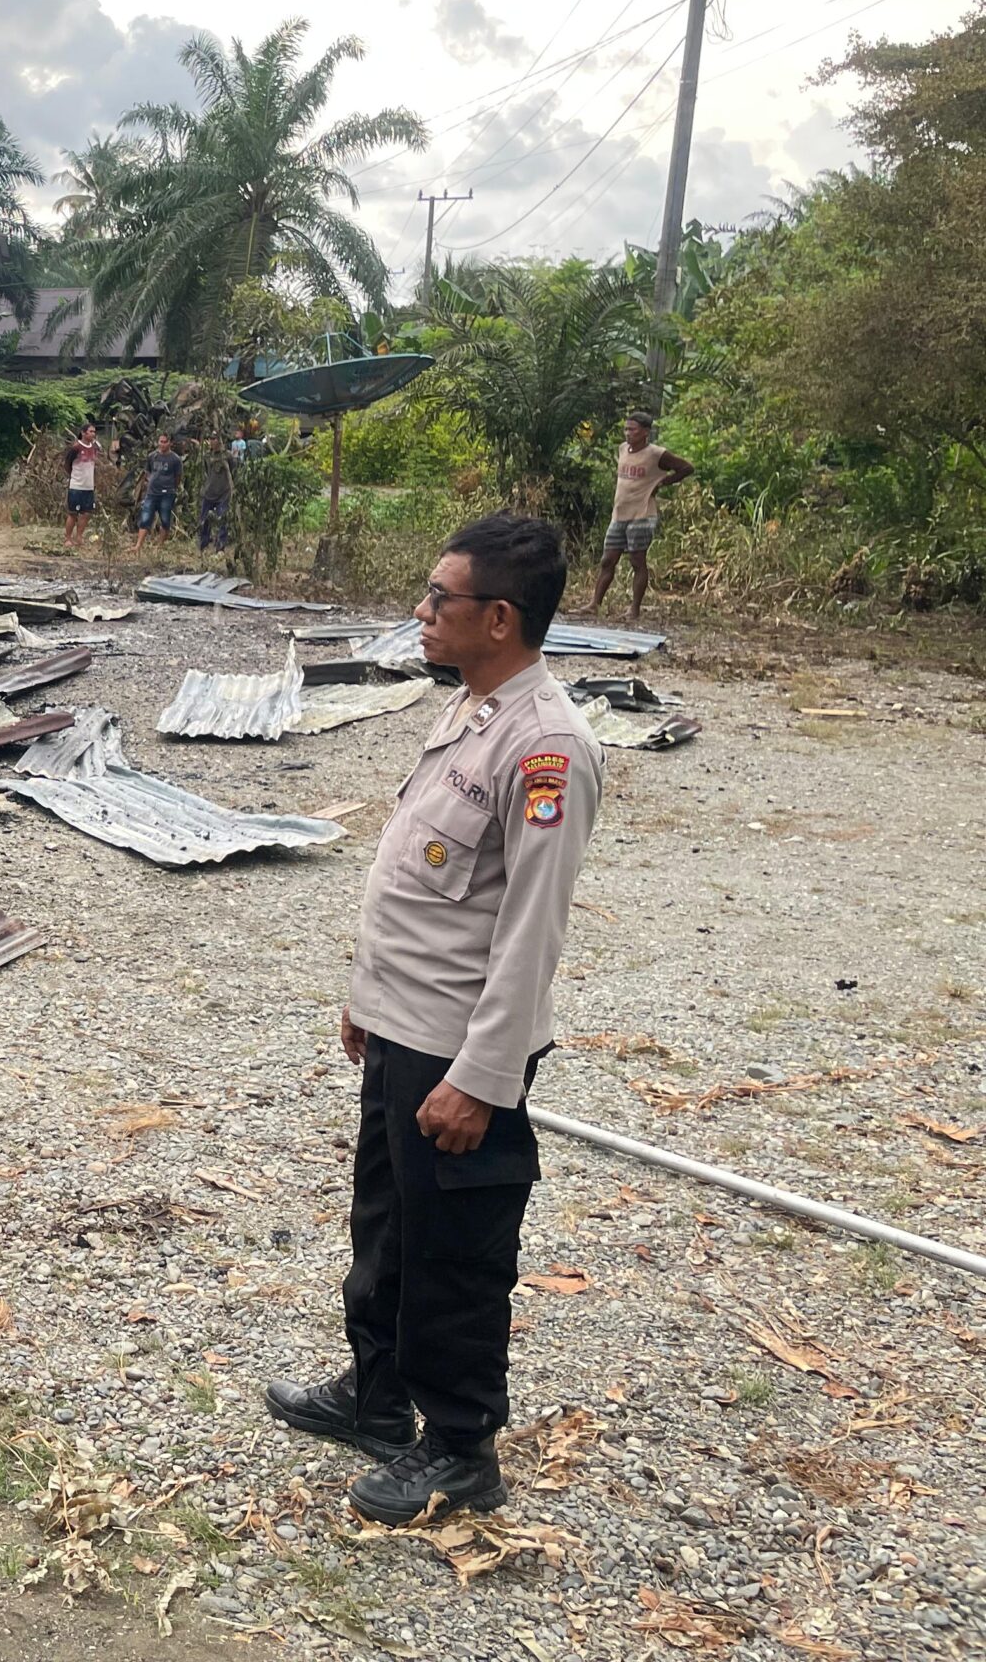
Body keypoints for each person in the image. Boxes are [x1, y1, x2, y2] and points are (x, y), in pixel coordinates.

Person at [264, 512, 604, 1526]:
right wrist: (368, 999)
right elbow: (423, 883)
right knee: (387, 1227)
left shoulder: (546, 748)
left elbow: (530, 933)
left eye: (438, 598)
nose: (420, 611)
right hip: (404, 1025)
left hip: (459, 1049)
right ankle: (376, 1398)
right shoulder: (472, 710)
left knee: (454, 1252)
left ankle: (461, 1448)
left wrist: (481, 1078)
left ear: (497, 618)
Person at [585, 411, 692, 622]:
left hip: (642, 514)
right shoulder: (622, 449)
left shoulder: (656, 454)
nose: (628, 433)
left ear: (645, 432)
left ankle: (634, 609)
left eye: (632, 430)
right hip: (620, 514)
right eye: (626, 429)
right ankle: (594, 604)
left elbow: (686, 468)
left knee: (637, 561)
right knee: (608, 560)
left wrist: (662, 483)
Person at [129, 433, 183, 555]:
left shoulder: (175, 459)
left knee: (165, 520)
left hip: (167, 493)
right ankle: (138, 546)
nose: (162, 444)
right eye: (161, 441)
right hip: (152, 493)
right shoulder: (152, 456)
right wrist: (149, 484)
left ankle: (159, 546)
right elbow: (148, 472)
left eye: (165, 442)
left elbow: (178, 477)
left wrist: (171, 488)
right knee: (145, 518)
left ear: (170, 443)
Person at [196, 437, 237, 553]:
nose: (212, 441)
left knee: (222, 520)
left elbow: (233, 471)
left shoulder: (227, 456)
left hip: (223, 493)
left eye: (214, 439)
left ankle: (220, 547)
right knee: (204, 520)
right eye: (210, 439)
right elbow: (206, 471)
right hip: (209, 492)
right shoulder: (207, 456)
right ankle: (203, 545)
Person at [63, 422, 100, 548]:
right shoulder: (76, 448)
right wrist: (74, 476)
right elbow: (67, 465)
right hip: (76, 486)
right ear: (83, 433)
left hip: (88, 487)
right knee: (73, 513)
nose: (93, 434)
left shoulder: (94, 448)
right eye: (90, 431)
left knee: (86, 513)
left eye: (94, 432)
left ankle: (79, 536)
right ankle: (68, 538)